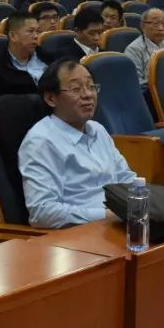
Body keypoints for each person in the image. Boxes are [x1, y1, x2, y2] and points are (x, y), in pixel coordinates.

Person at [19, 58, 136, 228]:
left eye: (91, 87)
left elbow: (125, 179)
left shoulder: (98, 130)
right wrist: (106, 215)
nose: (88, 95)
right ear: (51, 98)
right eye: (76, 89)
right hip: (79, 234)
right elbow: (42, 212)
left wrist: (144, 202)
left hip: (118, 223)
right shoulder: (41, 141)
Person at [0, 12, 47, 111]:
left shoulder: (48, 58)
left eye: (38, 31)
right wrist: (31, 100)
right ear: (13, 36)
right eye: (30, 31)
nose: (36, 36)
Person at [123, 7, 164, 85]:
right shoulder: (134, 50)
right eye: (155, 23)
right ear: (143, 25)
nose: (160, 28)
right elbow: (136, 82)